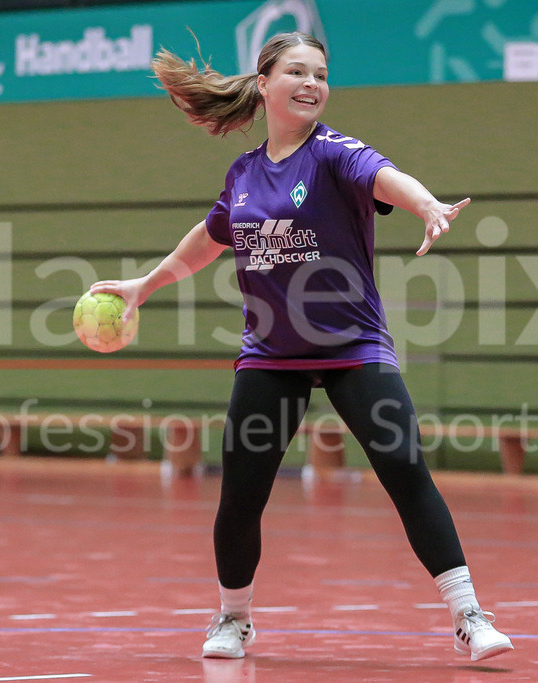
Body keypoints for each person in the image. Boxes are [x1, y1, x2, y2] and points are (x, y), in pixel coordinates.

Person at [92, 32, 514, 662]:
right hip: (271, 354)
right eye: (297, 71)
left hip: (353, 348)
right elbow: (209, 238)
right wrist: (146, 284)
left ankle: (469, 616)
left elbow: (387, 178)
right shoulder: (244, 173)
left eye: (321, 74)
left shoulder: (337, 153)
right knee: (241, 490)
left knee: (405, 471)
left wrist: (428, 205)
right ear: (265, 84)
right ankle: (234, 617)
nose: (313, 83)